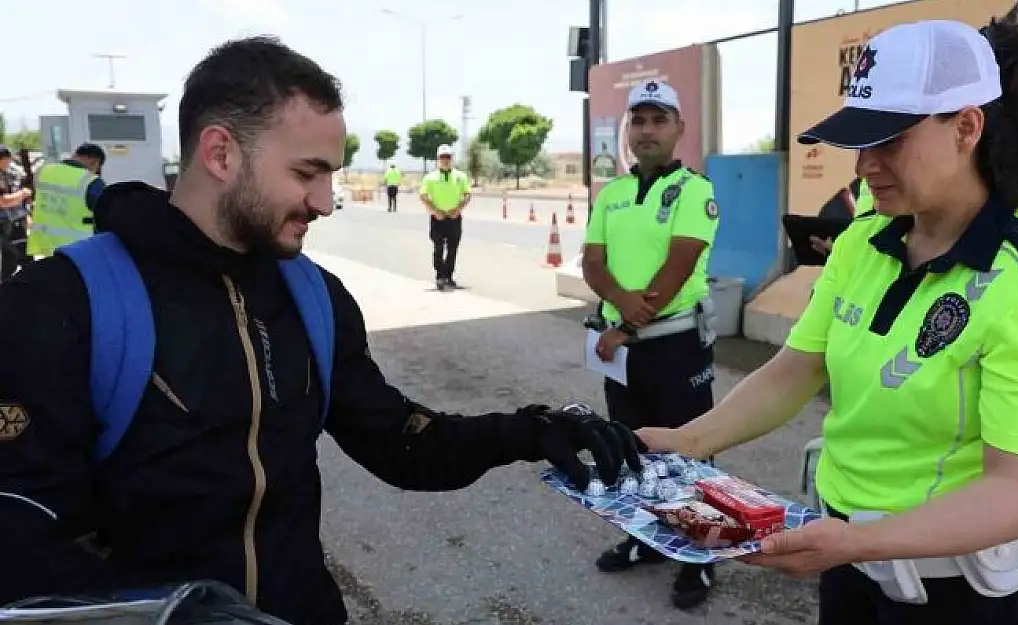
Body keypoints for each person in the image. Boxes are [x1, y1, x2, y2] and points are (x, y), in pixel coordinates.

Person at [0, 36, 642, 625]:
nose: (326, 201)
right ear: (220, 153)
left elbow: (402, 443)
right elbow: (20, 531)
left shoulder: (311, 295)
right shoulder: (62, 303)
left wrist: (533, 430)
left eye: (331, 174)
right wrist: (159, 614)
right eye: (306, 173)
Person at [636, 17, 1018, 625]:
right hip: (852, 564)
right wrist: (688, 441)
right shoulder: (867, 239)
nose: (863, 166)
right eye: (859, 140)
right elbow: (797, 368)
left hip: (962, 592)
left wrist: (860, 542)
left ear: (966, 126)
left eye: (889, 141)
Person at [581, 79, 721, 610]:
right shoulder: (612, 194)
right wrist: (618, 308)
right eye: (637, 120)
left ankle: (698, 556)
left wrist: (626, 324)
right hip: (623, 346)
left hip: (675, 344)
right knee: (632, 444)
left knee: (688, 449)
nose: (646, 130)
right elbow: (593, 262)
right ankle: (647, 538)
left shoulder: (695, 190)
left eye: (658, 119)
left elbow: (679, 263)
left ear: (679, 128)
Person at [25, 143, 107, 259]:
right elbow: (105, 215)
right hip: (77, 247)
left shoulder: (43, 171)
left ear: (75, 155)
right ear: (95, 162)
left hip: (45, 245)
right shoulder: (91, 182)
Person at [419, 144, 470, 291]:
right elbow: (423, 195)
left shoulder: (460, 177)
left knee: (453, 249)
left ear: (452, 158)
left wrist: (458, 209)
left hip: (454, 217)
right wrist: (435, 211)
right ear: (438, 159)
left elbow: (467, 194)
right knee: (439, 247)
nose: (445, 160)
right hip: (438, 218)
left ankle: (448, 276)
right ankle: (440, 276)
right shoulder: (430, 178)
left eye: (448, 157)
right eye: (442, 157)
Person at [0, 145, 33, 281]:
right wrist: (23, 194)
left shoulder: (6, 174)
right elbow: (3, 201)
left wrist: (26, 215)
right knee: (14, 262)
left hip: (13, 224)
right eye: (6, 159)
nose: (9, 162)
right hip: (5, 227)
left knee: (18, 262)